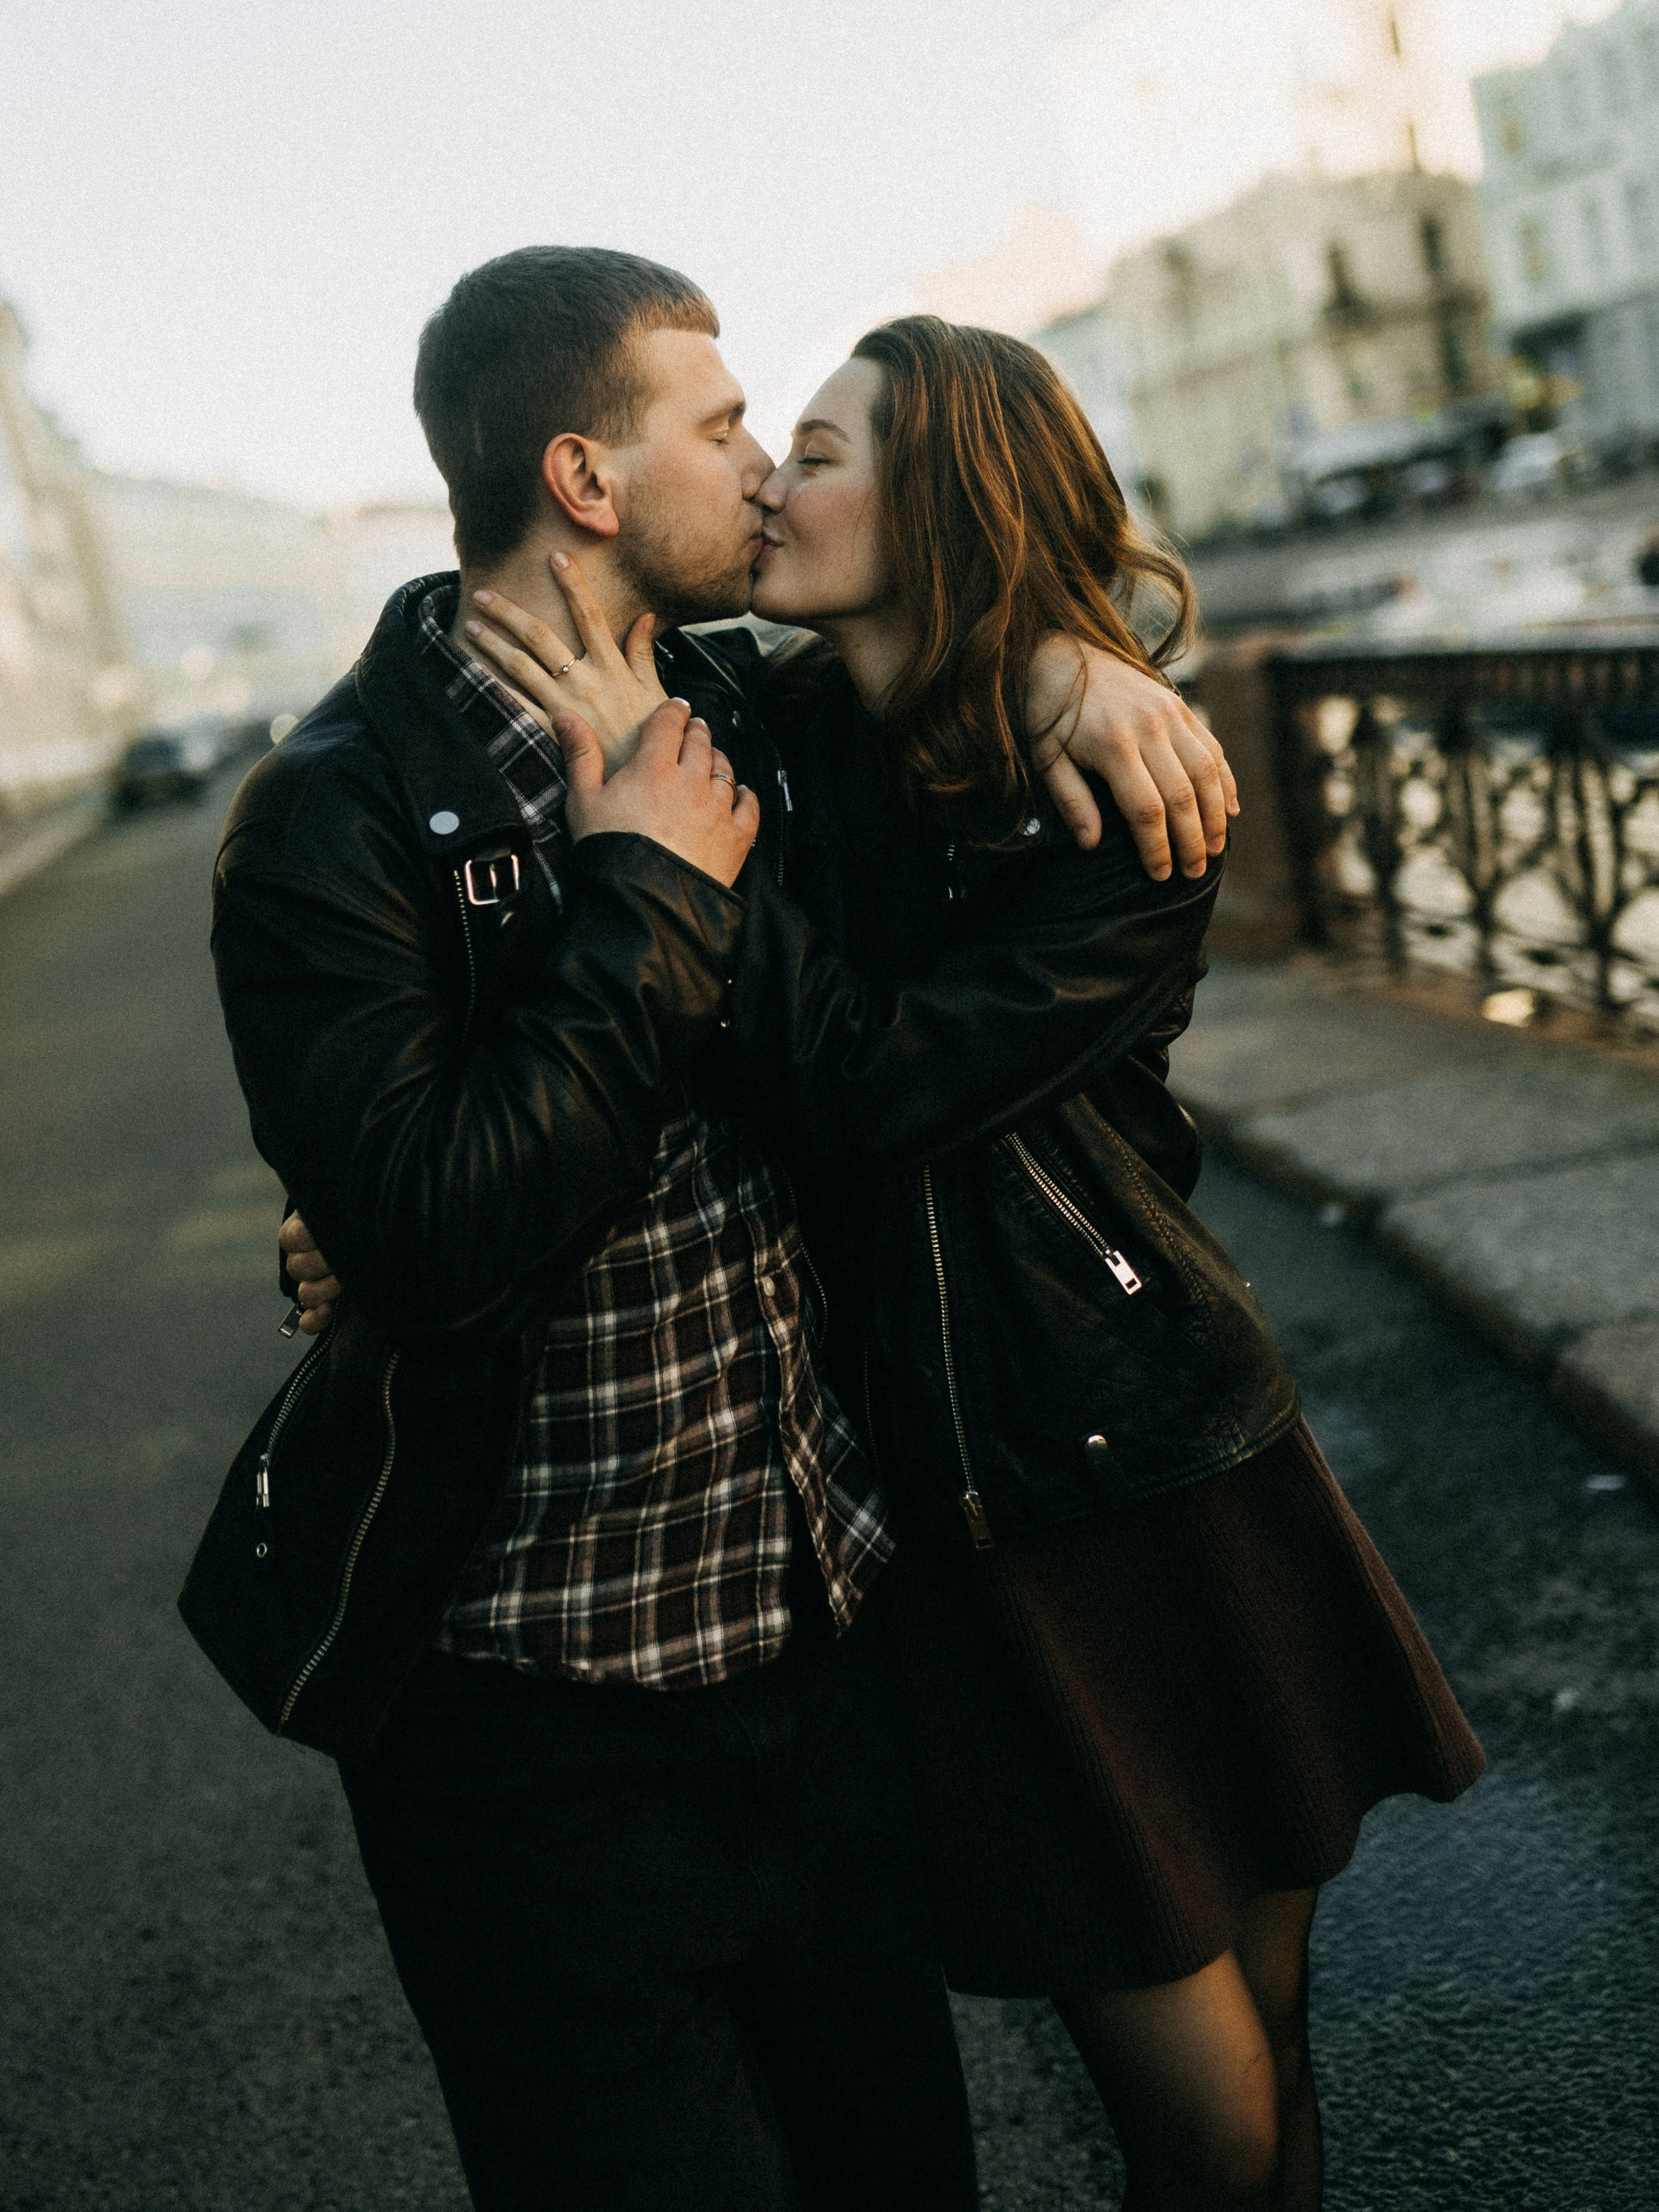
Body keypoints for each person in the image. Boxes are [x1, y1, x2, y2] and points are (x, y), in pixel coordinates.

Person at [181, 248, 1234, 2212]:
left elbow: (932, 659)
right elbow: (425, 1235)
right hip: (534, 1725)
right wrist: (649, 898)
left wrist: (1061, 661)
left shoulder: (751, 708)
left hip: (823, 1654)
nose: (764, 471)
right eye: (729, 424)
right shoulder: (331, 814)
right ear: (586, 479)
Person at [428, 314, 1485, 2212]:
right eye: (765, 440)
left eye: (813, 450)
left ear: (946, 502)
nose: (766, 477)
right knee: (1204, 2117)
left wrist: (1070, 680)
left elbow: (878, 1083)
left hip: (1151, 1448)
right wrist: (368, 1195)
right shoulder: (778, 729)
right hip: (971, 1511)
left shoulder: (1111, 801)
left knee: (1275, 2033)